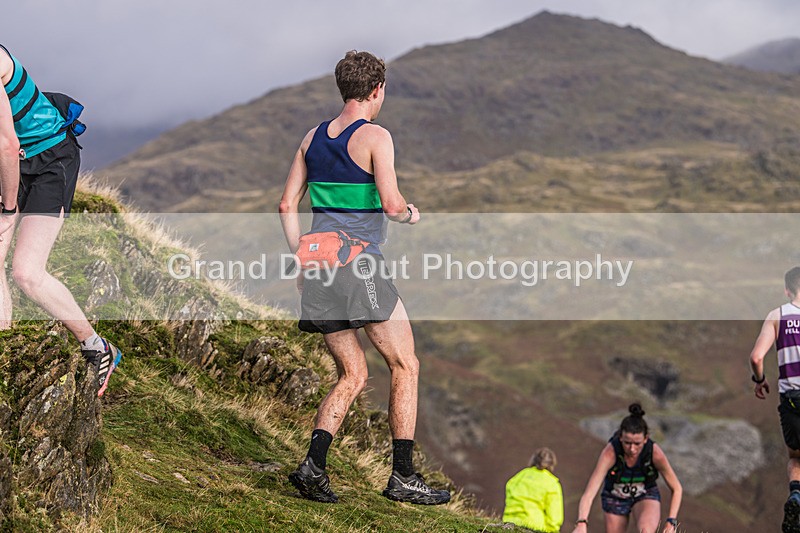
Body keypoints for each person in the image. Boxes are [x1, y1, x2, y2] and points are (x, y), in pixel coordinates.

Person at [279, 50, 449, 505]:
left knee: (352, 373)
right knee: (405, 364)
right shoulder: (376, 136)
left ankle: (313, 467)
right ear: (377, 90)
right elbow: (392, 206)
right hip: (360, 264)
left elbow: (285, 205)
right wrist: (411, 215)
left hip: (318, 267)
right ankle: (403, 478)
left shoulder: (311, 137)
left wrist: (301, 256)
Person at [0, 45, 121, 396]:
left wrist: (9, 210)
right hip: (15, 163)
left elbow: (6, 145)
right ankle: (6, 358)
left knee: (26, 272)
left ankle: (97, 347)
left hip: (52, 159)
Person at [572, 403, 682, 533]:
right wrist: (582, 522)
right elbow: (589, 493)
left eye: (637, 444)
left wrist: (671, 522)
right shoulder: (610, 453)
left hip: (645, 494)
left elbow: (677, 488)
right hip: (615, 496)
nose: (632, 449)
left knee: (646, 531)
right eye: (627, 443)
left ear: (646, 439)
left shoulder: (654, 453)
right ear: (620, 437)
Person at [750, 266, 800, 533]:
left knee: (796, 457)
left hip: (791, 398)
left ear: (787, 290)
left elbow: (757, 358)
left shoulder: (776, 316)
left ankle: (796, 495)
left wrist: (759, 380)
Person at [503, 447, 564, 533]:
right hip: (535, 527)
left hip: (508, 524)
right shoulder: (552, 483)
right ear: (552, 463)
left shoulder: (519, 476)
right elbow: (554, 517)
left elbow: (509, 496)